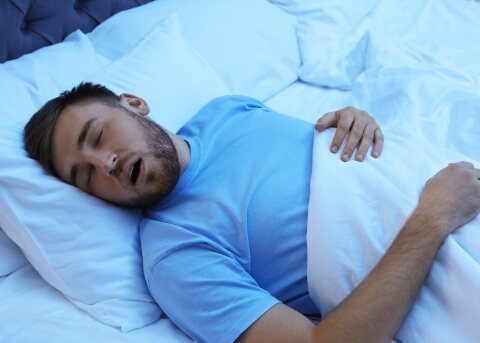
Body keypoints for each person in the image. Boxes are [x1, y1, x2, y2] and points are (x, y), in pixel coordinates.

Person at [24, 82, 480, 343]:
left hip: (451, 181)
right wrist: (434, 216)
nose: (105, 164)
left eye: (99, 136)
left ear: (135, 104)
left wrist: (354, 121)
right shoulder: (175, 254)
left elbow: (321, 160)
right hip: (444, 236)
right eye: (86, 177)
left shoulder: (228, 109)